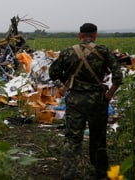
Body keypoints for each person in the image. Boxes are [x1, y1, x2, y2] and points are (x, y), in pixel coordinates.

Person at [48, 23, 123, 179]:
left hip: (75, 99)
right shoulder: (103, 51)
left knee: (73, 138)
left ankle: (68, 173)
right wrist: (110, 93)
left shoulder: (68, 52)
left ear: (79, 35)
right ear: (95, 35)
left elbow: (53, 73)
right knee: (98, 138)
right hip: (97, 101)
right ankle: (100, 173)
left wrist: (68, 81)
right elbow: (118, 76)